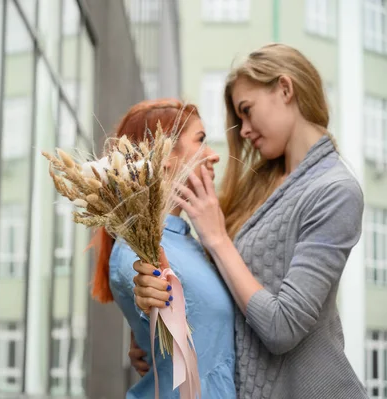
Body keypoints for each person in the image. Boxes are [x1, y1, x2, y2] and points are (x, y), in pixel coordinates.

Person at [131, 43, 368, 398]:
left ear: (285, 89)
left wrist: (218, 239)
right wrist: (159, 330)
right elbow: (217, 290)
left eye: (247, 110)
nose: (242, 131)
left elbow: (282, 326)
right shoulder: (257, 185)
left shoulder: (335, 191)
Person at [91, 99, 237, 399]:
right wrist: (147, 297)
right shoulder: (139, 250)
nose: (213, 156)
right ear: (165, 156)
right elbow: (145, 284)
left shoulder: (186, 240)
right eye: (201, 141)